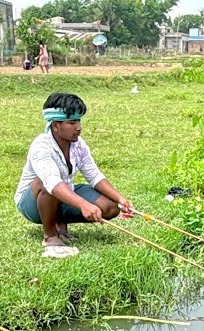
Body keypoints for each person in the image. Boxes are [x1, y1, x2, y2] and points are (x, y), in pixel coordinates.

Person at [14, 92, 133, 258]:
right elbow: (53, 183)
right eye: (72, 122)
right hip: (34, 203)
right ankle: (50, 236)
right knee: (44, 184)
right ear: (56, 126)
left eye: (79, 121)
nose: (79, 127)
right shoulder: (41, 146)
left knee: (111, 207)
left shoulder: (78, 144)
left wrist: (121, 199)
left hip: (63, 195)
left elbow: (94, 174)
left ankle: (59, 221)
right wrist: (84, 205)